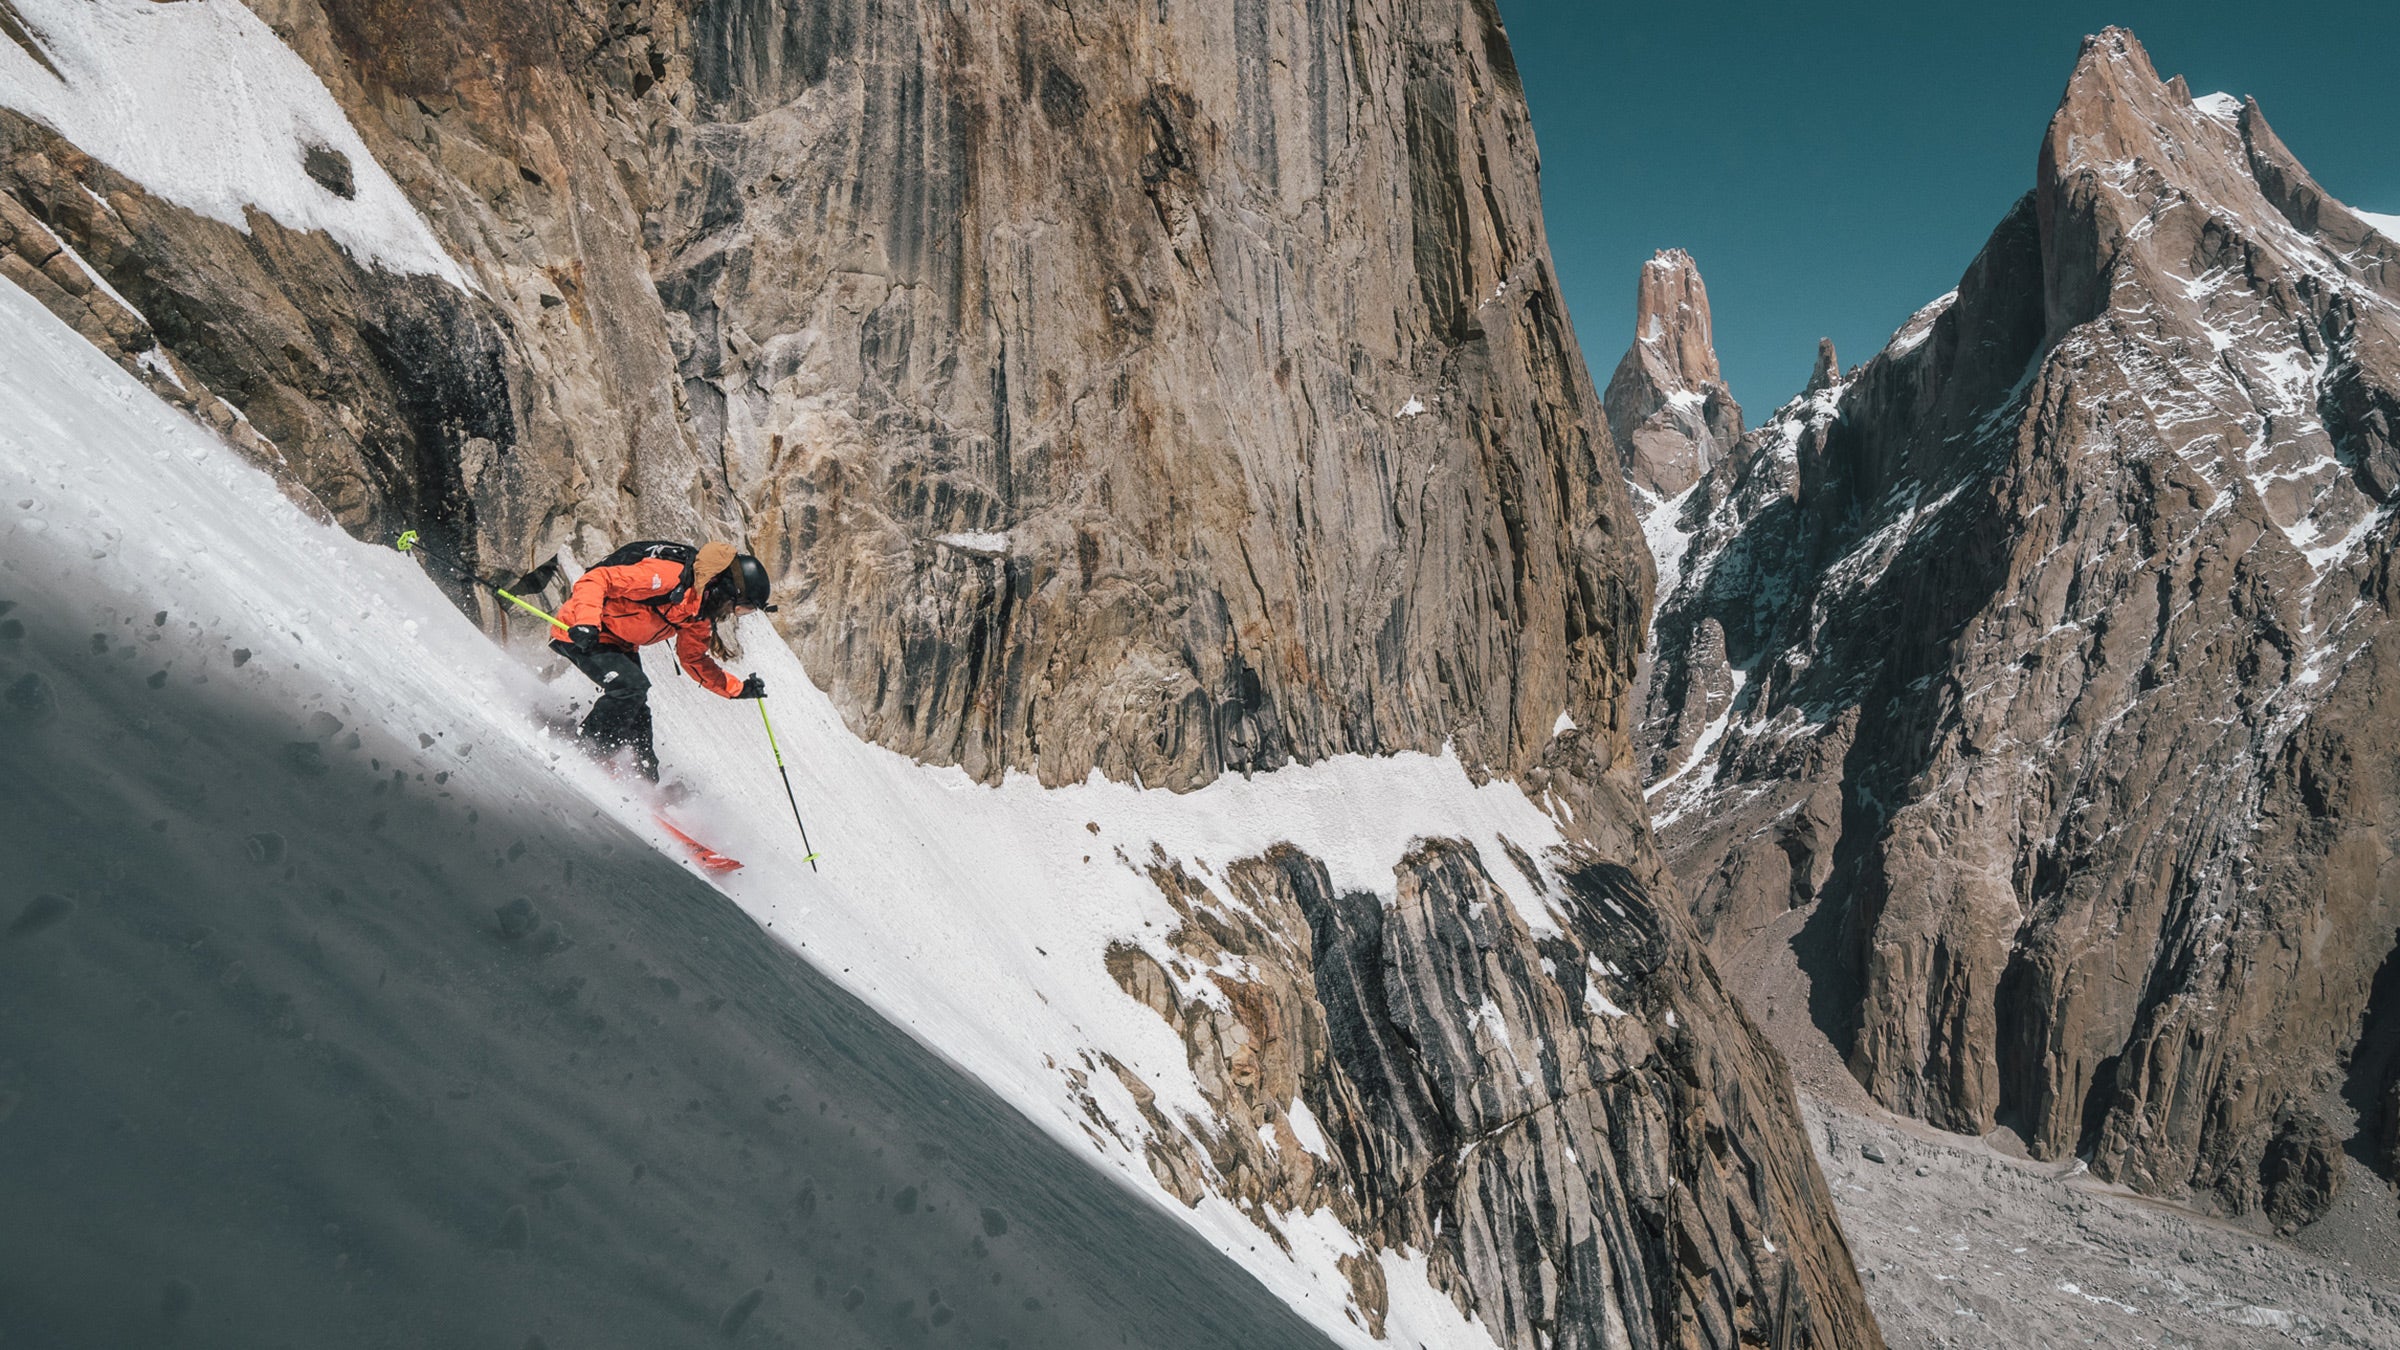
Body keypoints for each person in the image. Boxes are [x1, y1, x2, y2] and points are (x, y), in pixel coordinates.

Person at [548, 539, 772, 781]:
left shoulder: (698, 611)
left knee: (637, 711)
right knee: (632, 687)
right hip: (582, 631)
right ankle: (587, 751)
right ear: (728, 591)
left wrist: (737, 689)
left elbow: (693, 659)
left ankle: (645, 779)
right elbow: (599, 579)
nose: (732, 614)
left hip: (619, 642)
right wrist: (586, 622)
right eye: (741, 608)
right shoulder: (668, 577)